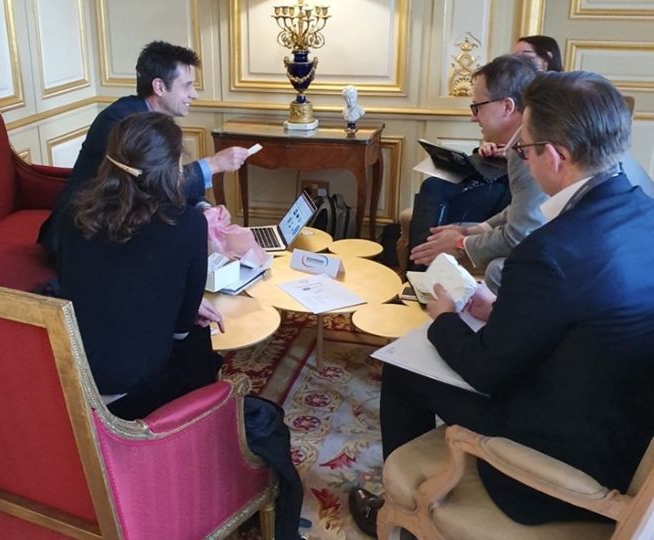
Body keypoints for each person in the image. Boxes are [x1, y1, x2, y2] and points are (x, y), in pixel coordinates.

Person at [353, 70, 654, 532]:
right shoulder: (642, 211)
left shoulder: (551, 250)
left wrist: (444, 318)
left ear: (556, 156)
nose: (523, 161)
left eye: (525, 150)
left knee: (402, 368)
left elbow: (486, 369)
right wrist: (502, 309)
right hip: (621, 427)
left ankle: (406, 512)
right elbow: (589, 313)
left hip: (557, 460)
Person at [58, 111, 303, 539]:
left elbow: (110, 284)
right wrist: (185, 310)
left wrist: (175, 308)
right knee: (203, 347)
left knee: (189, 330)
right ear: (170, 171)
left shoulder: (77, 218)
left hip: (76, 377)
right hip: (129, 397)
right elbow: (176, 332)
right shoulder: (184, 224)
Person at [39, 40, 251, 257]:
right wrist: (213, 164)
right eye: (187, 86)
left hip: (123, 224)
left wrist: (202, 206)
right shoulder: (121, 123)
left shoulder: (152, 120)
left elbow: (167, 178)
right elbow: (151, 186)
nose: (194, 94)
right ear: (159, 87)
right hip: (83, 237)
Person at [408, 54, 547, 292]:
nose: (473, 117)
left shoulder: (530, 149)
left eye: (477, 107)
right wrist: (472, 230)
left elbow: (519, 234)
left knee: (498, 270)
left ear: (507, 106)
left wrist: (462, 243)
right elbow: (519, 213)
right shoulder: (523, 140)